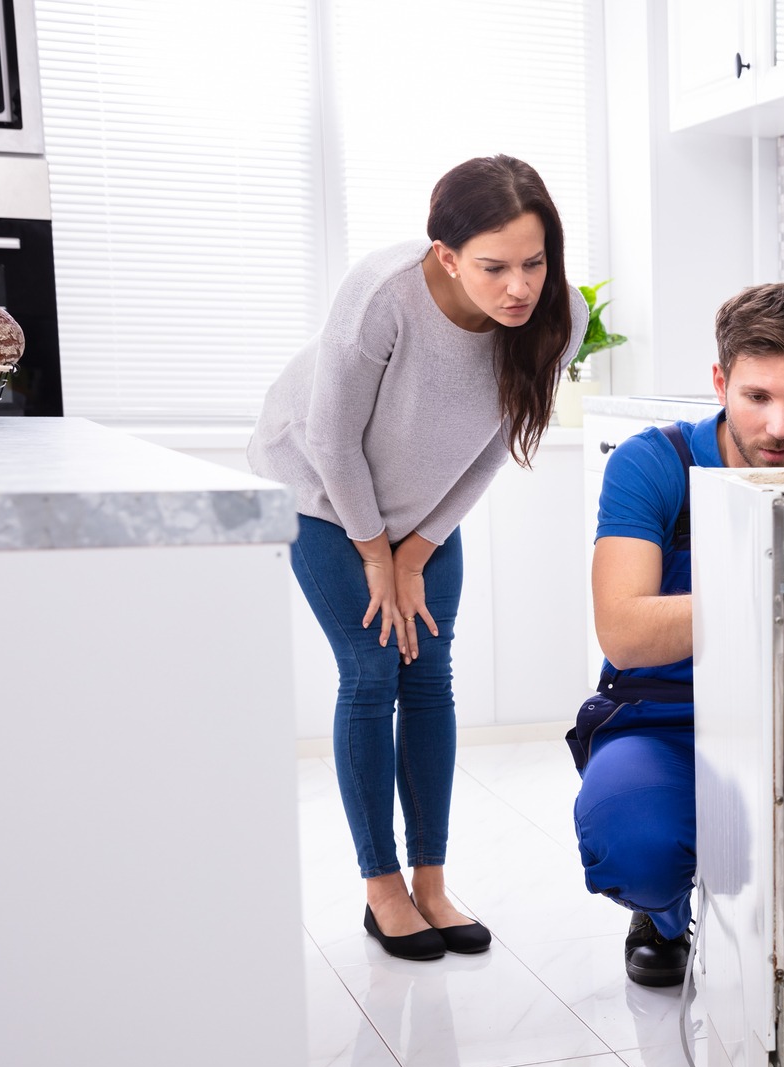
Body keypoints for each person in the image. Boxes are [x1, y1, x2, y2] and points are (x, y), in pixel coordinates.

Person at [249, 155, 586, 962]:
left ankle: (432, 884)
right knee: (372, 671)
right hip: (321, 494)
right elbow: (330, 437)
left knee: (430, 671)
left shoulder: (557, 317)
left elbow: (500, 440)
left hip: (424, 509)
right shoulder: (384, 294)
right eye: (493, 268)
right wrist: (376, 554)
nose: (519, 288)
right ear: (446, 255)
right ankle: (383, 888)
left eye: (533, 263)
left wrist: (418, 548)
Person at [576, 284, 784, 985]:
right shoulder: (652, 465)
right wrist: (776, 586)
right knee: (635, 846)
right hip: (664, 718)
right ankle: (661, 911)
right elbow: (625, 632)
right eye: (757, 397)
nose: (780, 426)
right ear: (720, 383)